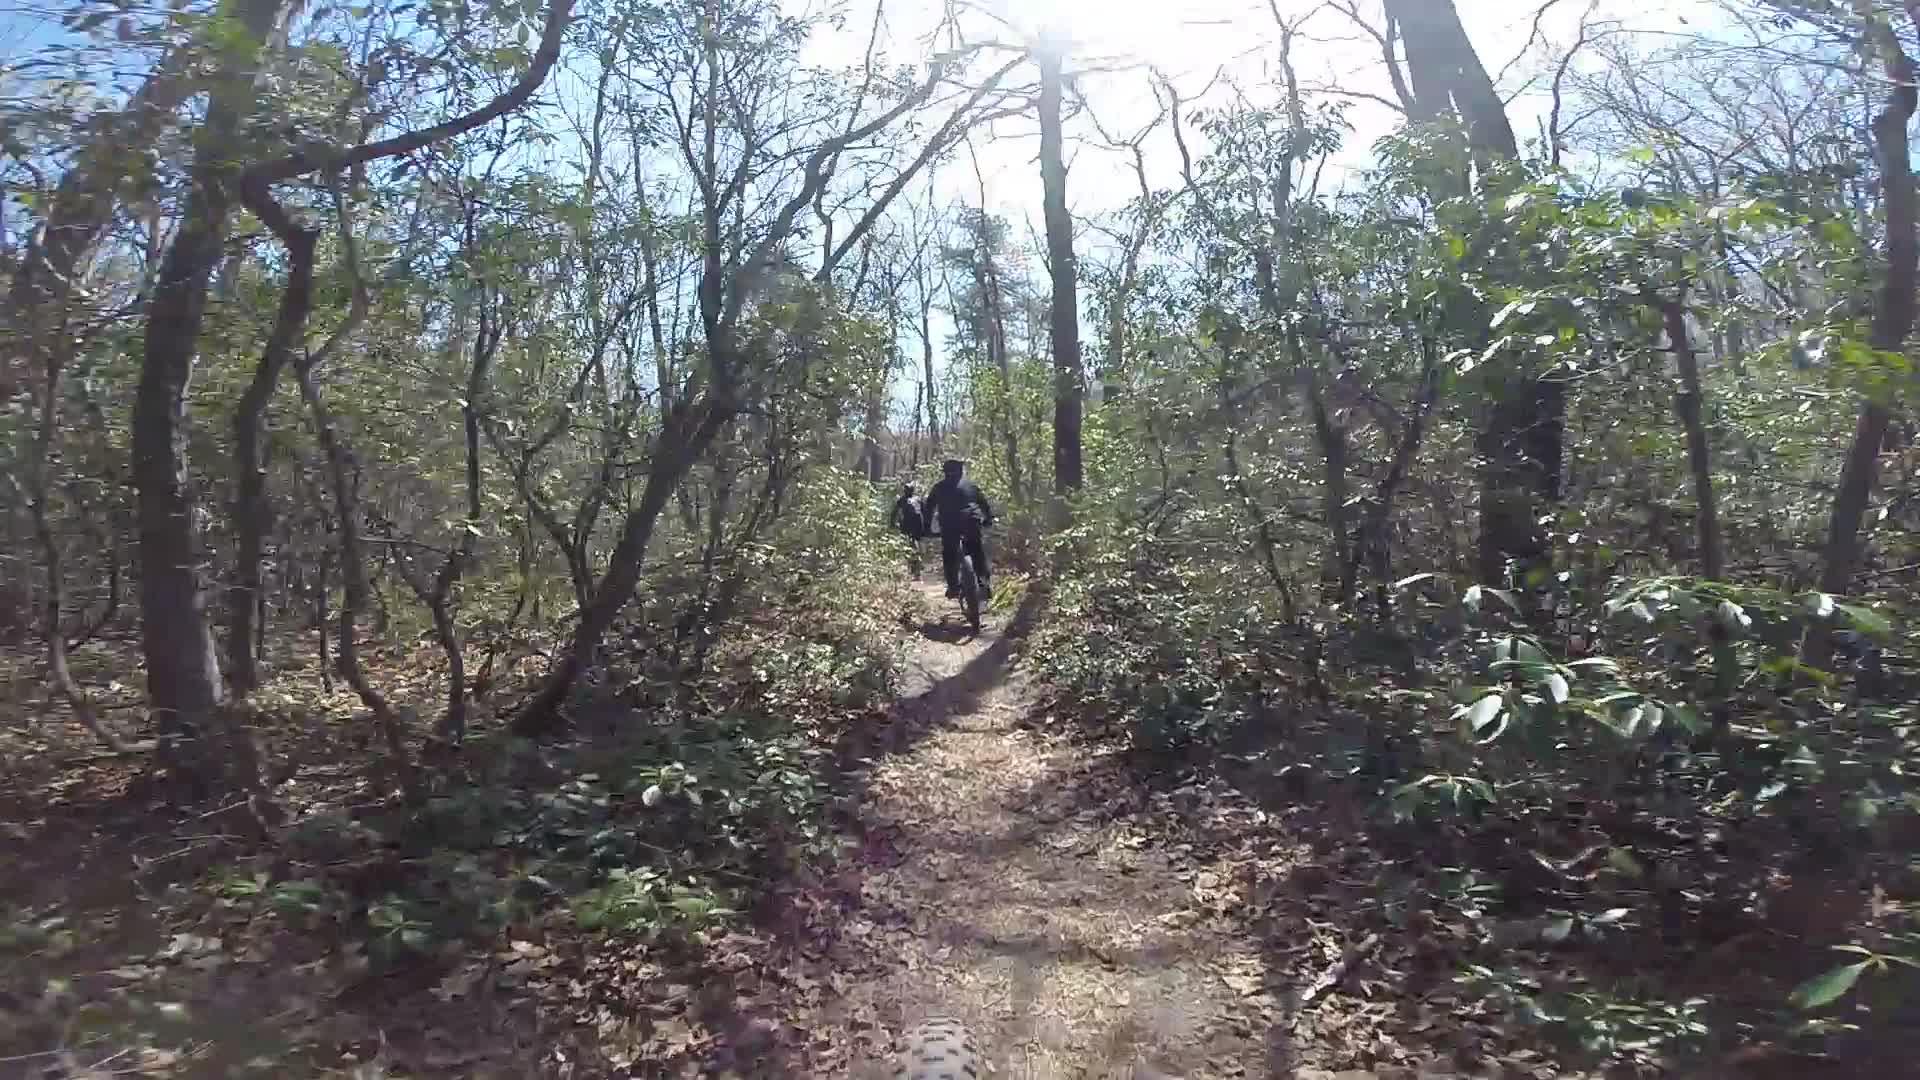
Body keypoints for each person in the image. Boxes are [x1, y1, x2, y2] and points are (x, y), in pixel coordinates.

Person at [925, 459, 994, 598]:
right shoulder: (971, 486)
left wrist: (927, 528)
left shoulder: (938, 487)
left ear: (945, 473)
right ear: (961, 472)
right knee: (977, 552)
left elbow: (929, 508)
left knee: (949, 555)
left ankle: (953, 587)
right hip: (971, 522)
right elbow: (984, 504)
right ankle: (984, 583)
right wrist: (988, 519)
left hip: (949, 525)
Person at [890, 482, 927, 576]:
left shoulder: (917, 499)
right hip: (907, 524)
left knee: (915, 545)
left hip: (916, 525)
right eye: (906, 489)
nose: (907, 491)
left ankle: (917, 566)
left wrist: (927, 525)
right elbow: (894, 512)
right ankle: (913, 566)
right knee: (910, 545)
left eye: (909, 489)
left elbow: (925, 512)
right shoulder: (902, 500)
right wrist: (892, 523)